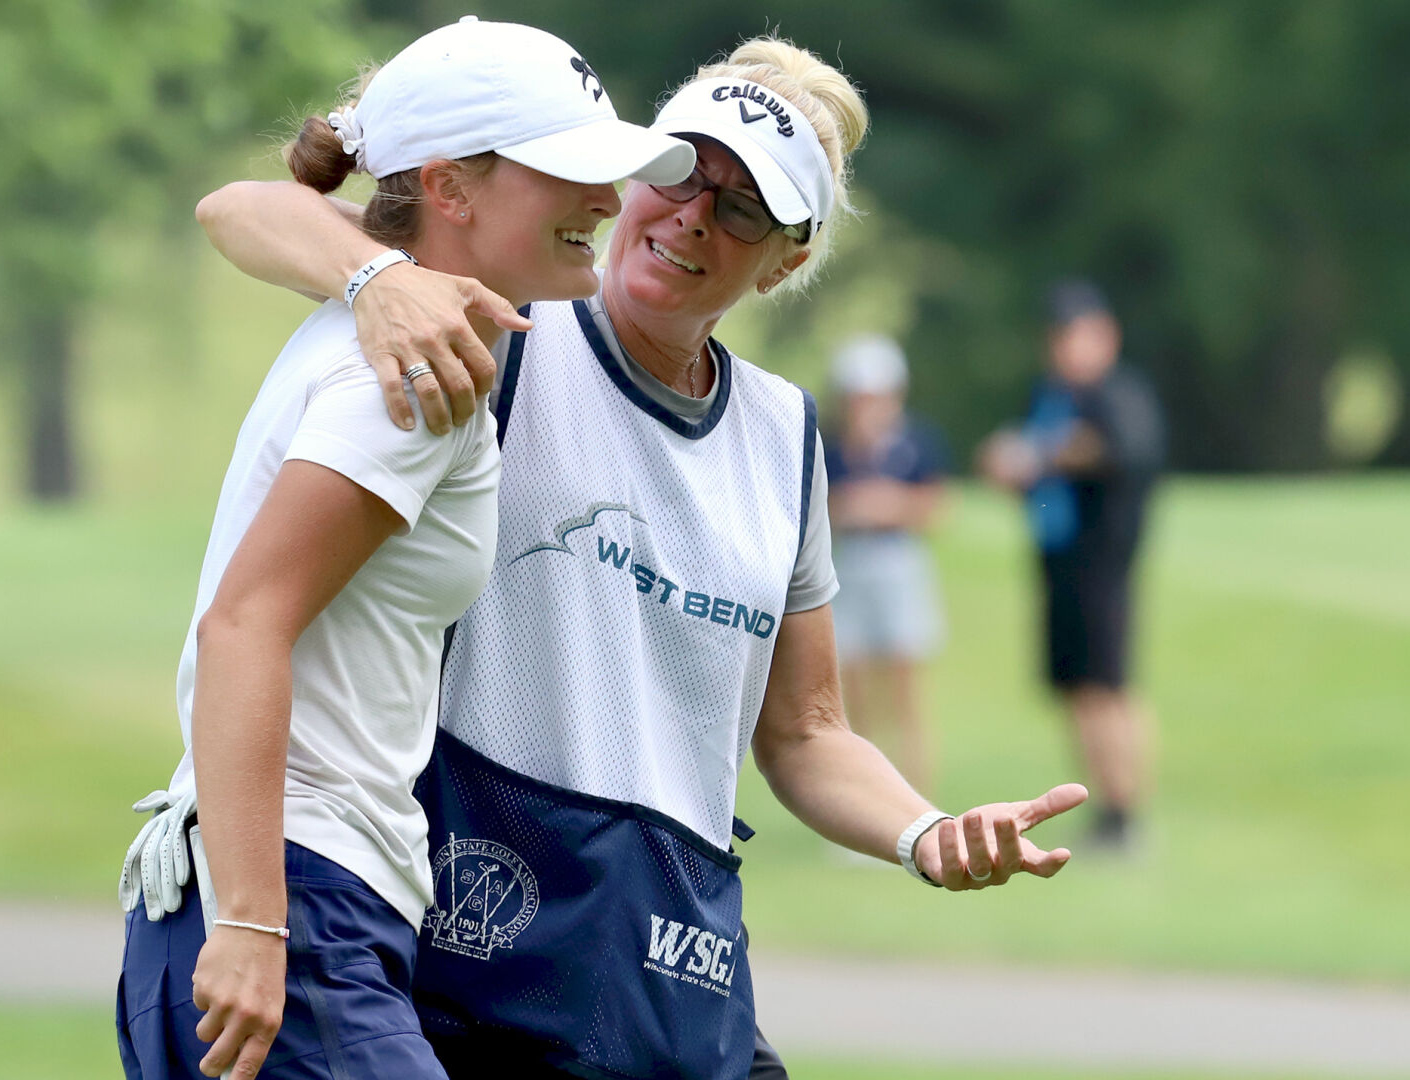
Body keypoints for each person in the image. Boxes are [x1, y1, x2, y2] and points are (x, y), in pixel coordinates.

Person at [193, 36, 1089, 1080]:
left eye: (744, 207)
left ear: (788, 260)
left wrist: (924, 834)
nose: (694, 216)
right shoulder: (501, 316)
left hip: (674, 961)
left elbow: (804, 730)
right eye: (680, 174)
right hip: (484, 956)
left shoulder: (782, 438)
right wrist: (379, 281)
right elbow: (241, 211)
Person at [114, 19, 693, 1080]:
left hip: (302, 902)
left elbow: (249, 210)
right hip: (292, 905)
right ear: (450, 189)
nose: (609, 204)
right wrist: (252, 925)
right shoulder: (414, 378)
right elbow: (245, 625)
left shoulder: (402, 321)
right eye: (570, 172)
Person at [978, 279, 1165, 853]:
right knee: (1077, 690)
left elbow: (1114, 450)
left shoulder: (1115, 393)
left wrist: (1035, 455)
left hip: (1102, 566)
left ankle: (1126, 813)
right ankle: (1104, 812)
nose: (1067, 347)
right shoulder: (1051, 396)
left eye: (1078, 334)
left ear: (1104, 336)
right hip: (1059, 567)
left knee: (1109, 688)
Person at [822, 334, 949, 791]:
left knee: (903, 691)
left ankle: (915, 796)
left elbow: (935, 508)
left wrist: (887, 505)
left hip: (898, 563)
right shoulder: (830, 447)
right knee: (851, 688)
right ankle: (862, 799)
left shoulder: (916, 442)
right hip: (847, 565)